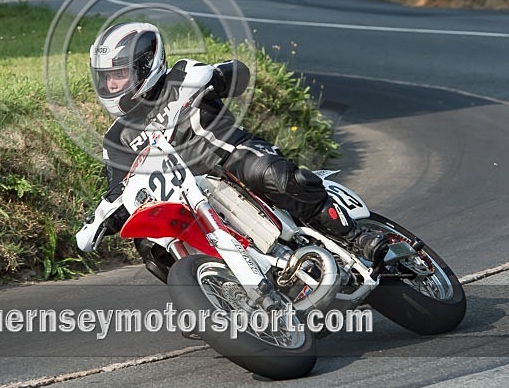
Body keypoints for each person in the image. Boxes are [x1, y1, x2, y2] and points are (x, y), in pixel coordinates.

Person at [89, 22, 389, 278]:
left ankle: (357, 236)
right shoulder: (117, 138)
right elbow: (120, 188)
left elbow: (236, 75)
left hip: (231, 157)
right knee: (149, 245)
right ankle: (211, 299)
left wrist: (216, 78)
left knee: (272, 176)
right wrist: (105, 219)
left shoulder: (181, 76)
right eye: (106, 78)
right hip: (187, 201)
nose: (112, 84)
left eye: (119, 75)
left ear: (146, 66)